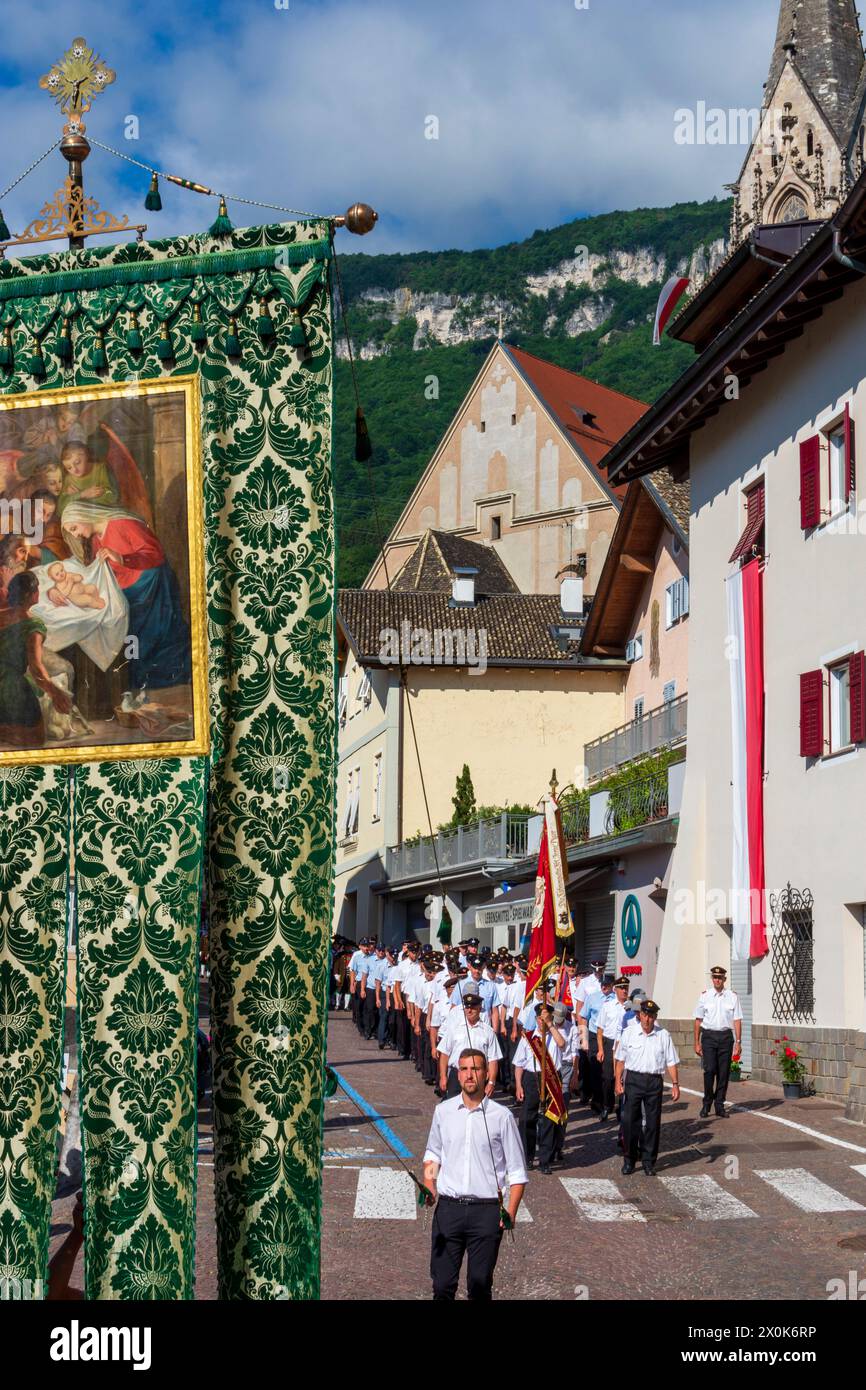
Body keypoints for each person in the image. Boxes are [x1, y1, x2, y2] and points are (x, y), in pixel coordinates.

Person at [423, 1049, 527, 1301]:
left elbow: (516, 1171)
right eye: (464, 1069)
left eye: (475, 1069)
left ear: (486, 1074)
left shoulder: (502, 1117)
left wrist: (510, 1211)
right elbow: (433, 1154)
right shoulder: (443, 1112)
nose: (469, 1075)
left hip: (487, 1211)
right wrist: (429, 1183)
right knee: (442, 1285)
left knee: (480, 1285)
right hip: (449, 1209)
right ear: (458, 1074)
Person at [62, 501, 191, 691]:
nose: (75, 534)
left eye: (74, 528)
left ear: (84, 515)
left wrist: (122, 558)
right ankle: (138, 687)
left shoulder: (122, 524)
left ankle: (164, 684)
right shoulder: (97, 538)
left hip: (152, 587)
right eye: (71, 532)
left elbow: (155, 553)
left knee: (156, 636)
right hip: (130, 592)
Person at [0, 571, 72, 747]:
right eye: (37, 588)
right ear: (30, 595)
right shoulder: (33, 625)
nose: (39, 591)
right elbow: (36, 668)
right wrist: (55, 693)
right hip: (10, 686)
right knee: (36, 739)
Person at [614, 999, 680, 1176]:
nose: (647, 1019)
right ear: (640, 1015)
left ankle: (649, 1161)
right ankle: (629, 1159)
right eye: (644, 1015)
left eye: (651, 1016)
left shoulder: (663, 1035)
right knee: (629, 1122)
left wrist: (675, 1084)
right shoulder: (629, 1033)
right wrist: (617, 1081)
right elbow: (620, 1060)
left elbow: (671, 1061)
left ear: (655, 1017)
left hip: (654, 1081)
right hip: (634, 1080)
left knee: (652, 1123)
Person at [513, 1002, 566, 1175]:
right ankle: (528, 1157)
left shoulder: (556, 1033)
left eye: (546, 1018)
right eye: (540, 1019)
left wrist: (550, 1025)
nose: (542, 1022)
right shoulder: (528, 1037)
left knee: (549, 1120)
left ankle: (545, 1160)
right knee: (527, 1118)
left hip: (551, 1078)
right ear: (536, 1019)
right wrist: (519, 1085)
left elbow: (562, 1044)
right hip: (531, 1078)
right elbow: (519, 1064)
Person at [694, 966, 743, 1118]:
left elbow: (737, 1020)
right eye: (715, 977)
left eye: (720, 977)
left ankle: (719, 1104)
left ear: (724, 979)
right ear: (712, 978)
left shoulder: (732, 996)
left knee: (723, 1073)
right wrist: (696, 1042)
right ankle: (707, 1103)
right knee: (709, 1071)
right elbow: (698, 1020)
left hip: (726, 1037)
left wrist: (738, 1042)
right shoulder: (704, 996)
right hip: (708, 1036)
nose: (717, 980)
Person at [437, 993, 501, 1099]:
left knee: (477, 1110)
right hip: (457, 1074)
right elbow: (444, 1053)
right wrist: (443, 1076)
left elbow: (493, 1059)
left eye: (473, 1008)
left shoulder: (488, 1032)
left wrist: (491, 1082)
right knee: (454, 1109)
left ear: (480, 1009)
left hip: (478, 1076)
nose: (469, 1011)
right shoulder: (454, 1028)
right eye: (467, 1007)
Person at [596, 976, 630, 1121]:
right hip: (610, 1044)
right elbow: (600, 1029)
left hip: (626, 1044)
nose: (624, 990)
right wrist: (600, 1049)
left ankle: (620, 1108)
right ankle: (606, 1106)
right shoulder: (607, 1006)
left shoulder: (631, 1007)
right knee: (608, 1078)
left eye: (626, 988)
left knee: (623, 1078)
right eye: (621, 988)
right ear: (615, 989)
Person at [580, 972, 614, 1112]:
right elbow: (583, 1017)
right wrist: (583, 1040)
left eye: (607, 984)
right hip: (594, 1036)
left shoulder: (615, 1000)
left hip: (610, 1037)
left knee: (608, 1072)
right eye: (602, 984)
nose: (604, 987)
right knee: (594, 1069)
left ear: (612, 986)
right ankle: (597, 1100)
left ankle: (608, 1100)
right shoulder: (592, 998)